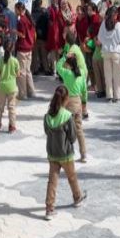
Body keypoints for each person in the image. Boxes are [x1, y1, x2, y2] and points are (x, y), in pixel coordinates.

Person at [43, 86, 85, 220]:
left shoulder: (47, 116)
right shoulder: (67, 116)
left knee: (52, 181)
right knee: (72, 177)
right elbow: (73, 138)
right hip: (66, 154)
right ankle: (77, 198)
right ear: (66, 99)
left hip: (52, 153)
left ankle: (49, 208)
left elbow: (46, 132)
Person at [56, 51, 88, 162]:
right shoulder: (81, 75)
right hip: (78, 102)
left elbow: (58, 66)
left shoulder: (67, 74)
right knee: (79, 129)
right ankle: (83, 154)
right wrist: (84, 105)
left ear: (69, 65)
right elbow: (85, 92)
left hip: (68, 102)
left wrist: (64, 56)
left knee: (65, 129)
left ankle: (66, 153)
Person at [0, 35, 19, 133]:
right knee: (11, 107)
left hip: (2, 86)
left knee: (0, 106)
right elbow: (18, 73)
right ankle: (12, 126)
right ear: (13, 48)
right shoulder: (15, 61)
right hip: (12, 86)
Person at [98, 9, 120, 103]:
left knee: (108, 75)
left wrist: (106, 42)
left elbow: (99, 38)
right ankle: (117, 96)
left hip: (106, 51)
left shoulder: (103, 24)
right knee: (117, 75)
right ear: (115, 15)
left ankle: (109, 96)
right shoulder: (118, 25)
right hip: (116, 51)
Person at [14, 3, 36, 98]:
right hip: (29, 47)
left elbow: (22, 35)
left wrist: (14, 31)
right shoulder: (28, 19)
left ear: (19, 9)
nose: (15, 11)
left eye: (15, 9)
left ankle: (23, 94)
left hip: (22, 48)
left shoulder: (21, 20)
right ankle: (31, 91)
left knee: (22, 72)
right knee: (27, 71)